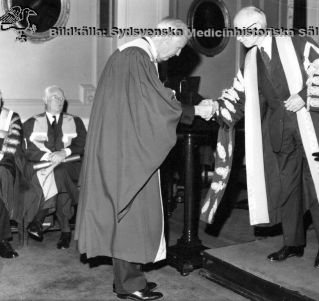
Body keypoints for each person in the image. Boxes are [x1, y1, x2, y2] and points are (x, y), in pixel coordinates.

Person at [75, 18, 215, 301]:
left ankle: (126, 281)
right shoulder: (136, 57)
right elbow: (155, 105)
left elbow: (145, 101)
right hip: (128, 153)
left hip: (123, 147)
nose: (177, 54)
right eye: (177, 47)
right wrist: (195, 110)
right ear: (164, 35)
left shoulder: (132, 55)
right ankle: (130, 284)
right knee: (132, 216)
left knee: (127, 216)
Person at [200, 7, 319, 269]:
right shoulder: (250, 60)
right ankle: (293, 243)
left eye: (241, 31)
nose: (238, 37)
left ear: (258, 26)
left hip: (309, 127)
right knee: (287, 187)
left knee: (317, 185)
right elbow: (239, 94)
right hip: (280, 133)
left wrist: (303, 95)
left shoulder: (297, 43)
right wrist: (214, 107)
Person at [23, 86, 86, 249]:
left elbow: (83, 144)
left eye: (61, 98)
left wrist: (64, 152)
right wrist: (49, 157)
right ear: (44, 100)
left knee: (60, 172)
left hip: (71, 165)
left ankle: (39, 218)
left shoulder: (74, 121)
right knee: (58, 176)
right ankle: (65, 231)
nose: (59, 101)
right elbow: (26, 150)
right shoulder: (32, 123)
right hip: (43, 167)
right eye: (54, 97)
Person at [0, 81, 22, 258]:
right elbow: (3, 135)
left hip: (5, 161)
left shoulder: (12, 116)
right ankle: (0, 239)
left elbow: (14, 140)